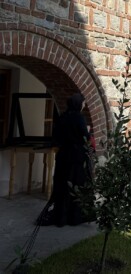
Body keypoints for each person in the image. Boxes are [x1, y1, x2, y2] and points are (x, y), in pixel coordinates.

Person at [42, 93, 93, 226]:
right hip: (77, 157)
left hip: (64, 156)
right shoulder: (79, 118)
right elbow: (85, 137)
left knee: (63, 184)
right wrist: (87, 132)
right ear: (78, 104)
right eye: (83, 103)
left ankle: (61, 216)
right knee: (76, 184)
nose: (84, 105)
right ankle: (74, 216)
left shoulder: (62, 117)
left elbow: (56, 137)